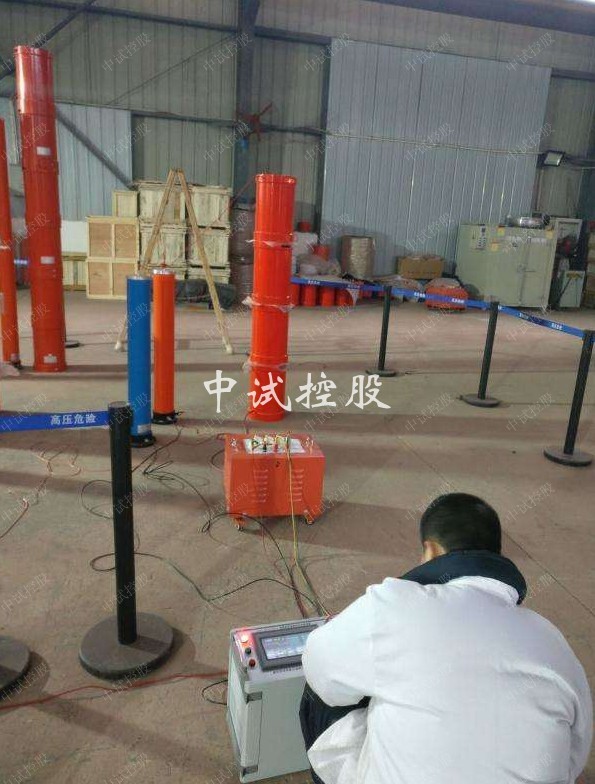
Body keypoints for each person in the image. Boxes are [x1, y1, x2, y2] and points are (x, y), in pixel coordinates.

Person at [300, 493, 593, 784]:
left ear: (431, 551)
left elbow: (318, 665)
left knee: (325, 688)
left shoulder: (395, 605)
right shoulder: (551, 639)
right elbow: (575, 754)